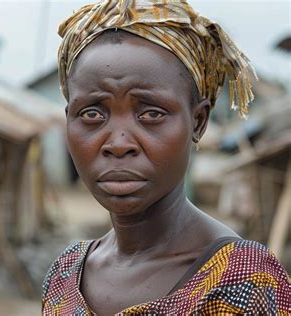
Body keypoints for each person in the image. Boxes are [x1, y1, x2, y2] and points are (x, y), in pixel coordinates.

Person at [42, 1, 290, 315]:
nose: (118, 143)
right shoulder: (64, 275)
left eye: (151, 113)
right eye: (92, 113)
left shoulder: (242, 281)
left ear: (198, 121)